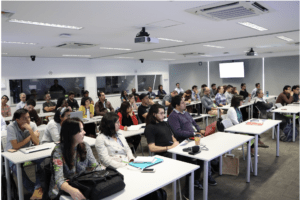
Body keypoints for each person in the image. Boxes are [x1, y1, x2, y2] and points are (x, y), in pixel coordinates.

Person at [168, 95, 217, 188]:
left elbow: (194, 123)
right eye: (182, 102)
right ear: (177, 105)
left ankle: (207, 174)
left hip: (194, 137)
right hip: (184, 141)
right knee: (202, 155)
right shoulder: (173, 116)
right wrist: (194, 133)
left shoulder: (185, 113)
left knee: (210, 150)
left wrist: (200, 130)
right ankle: (196, 180)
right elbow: (178, 133)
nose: (185, 103)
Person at [48, 118, 102, 200]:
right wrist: (71, 190)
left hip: (81, 186)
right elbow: (59, 180)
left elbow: (95, 166)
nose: (84, 132)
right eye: (81, 130)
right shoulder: (58, 151)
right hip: (62, 192)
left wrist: (103, 175)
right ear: (71, 133)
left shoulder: (85, 146)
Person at [5, 109, 43, 199]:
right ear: (17, 120)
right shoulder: (11, 127)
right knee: (16, 166)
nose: (28, 120)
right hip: (12, 154)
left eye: (28, 117)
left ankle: (38, 187)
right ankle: (33, 190)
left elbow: (37, 143)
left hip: (28, 153)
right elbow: (15, 146)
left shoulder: (32, 125)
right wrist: (31, 135)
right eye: (24, 118)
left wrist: (30, 129)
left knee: (42, 160)